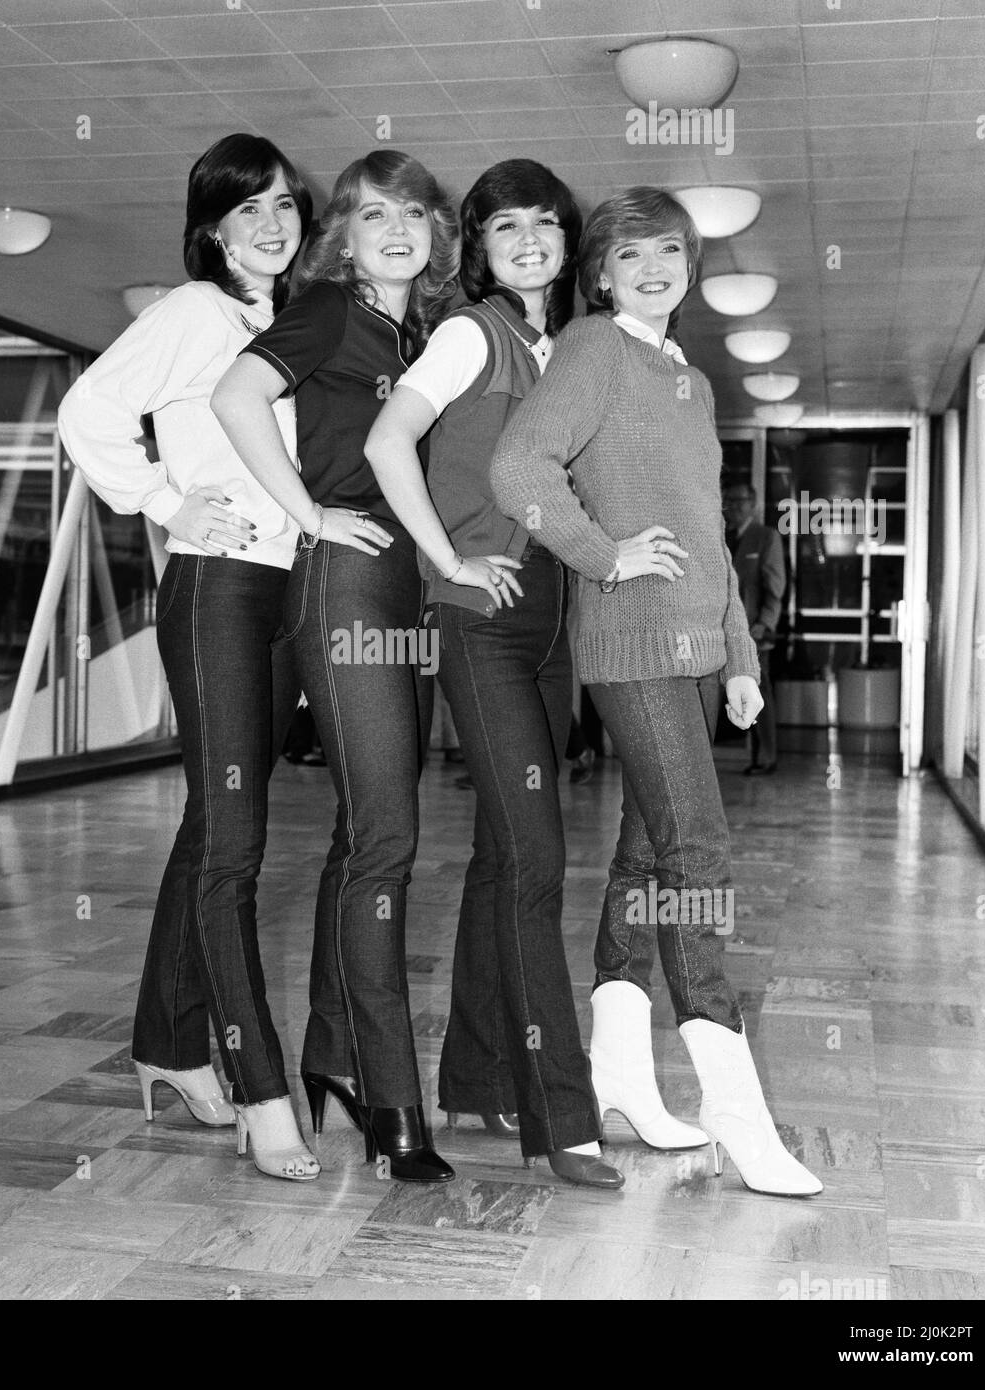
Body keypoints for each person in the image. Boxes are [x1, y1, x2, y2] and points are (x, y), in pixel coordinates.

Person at [490, 187, 822, 1197]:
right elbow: (518, 466)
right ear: (598, 272)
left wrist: (739, 655)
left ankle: (619, 1076)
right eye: (628, 253)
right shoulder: (594, 348)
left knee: (646, 855)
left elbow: (711, 533)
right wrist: (603, 553)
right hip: (629, 646)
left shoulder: (684, 376)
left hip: (687, 647)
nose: (650, 267)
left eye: (668, 250)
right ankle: (733, 1101)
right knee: (698, 849)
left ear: (689, 265)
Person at [57, 134, 321, 1183]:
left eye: (283, 205)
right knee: (236, 843)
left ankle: (166, 1045)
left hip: (284, 583)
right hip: (214, 584)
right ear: (211, 228)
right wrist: (166, 500)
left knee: (216, 823)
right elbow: (88, 412)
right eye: (245, 209)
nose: (269, 223)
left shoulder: (283, 321)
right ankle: (260, 1088)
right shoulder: (192, 313)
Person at [363, 159, 620, 1188]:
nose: (525, 240)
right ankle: (563, 1117)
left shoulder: (572, 349)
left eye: (543, 224)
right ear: (479, 245)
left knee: (499, 858)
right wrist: (443, 560)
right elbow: (390, 441)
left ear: (567, 242)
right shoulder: (472, 332)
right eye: (503, 226)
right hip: (484, 621)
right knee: (535, 861)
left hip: (556, 623)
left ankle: (476, 1074)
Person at [212, 149, 458, 1183]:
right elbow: (235, 398)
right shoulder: (324, 311)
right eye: (372, 214)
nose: (395, 228)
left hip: (411, 585)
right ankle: (395, 1102)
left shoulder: (424, 333)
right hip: (346, 579)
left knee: (369, 826)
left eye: (413, 213)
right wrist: (308, 512)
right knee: (389, 838)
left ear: (437, 232)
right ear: (343, 237)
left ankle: (332, 1057)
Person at [723, 482, 786, 774]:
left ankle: (766, 757)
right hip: (722, 632)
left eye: (741, 500)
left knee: (760, 693)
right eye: (730, 500)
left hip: (755, 633)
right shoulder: (723, 536)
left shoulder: (766, 537)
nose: (734, 506)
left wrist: (766, 623)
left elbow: (775, 587)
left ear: (754, 502)